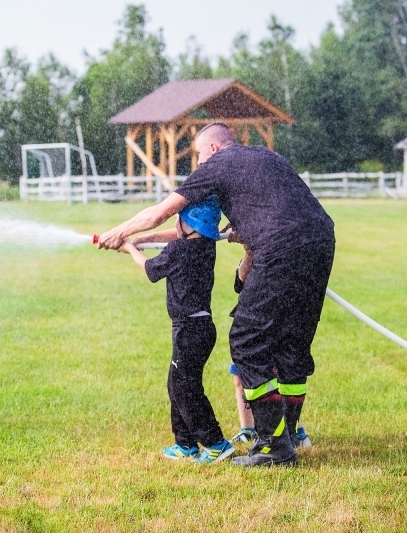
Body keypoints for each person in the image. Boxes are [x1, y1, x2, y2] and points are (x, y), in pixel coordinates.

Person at [97, 122, 336, 467]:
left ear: (211, 149)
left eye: (196, 154)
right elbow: (276, 203)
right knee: (291, 342)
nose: (197, 163)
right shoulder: (264, 156)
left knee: (248, 340)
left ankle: (273, 448)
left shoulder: (217, 164)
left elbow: (158, 213)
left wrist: (117, 232)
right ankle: (288, 433)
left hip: (281, 244)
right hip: (321, 238)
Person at [113, 194, 234, 464]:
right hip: (200, 327)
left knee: (185, 388)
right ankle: (185, 444)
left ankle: (216, 443)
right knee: (177, 384)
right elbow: (177, 236)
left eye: (180, 218)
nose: (176, 221)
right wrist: (142, 239)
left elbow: (150, 270)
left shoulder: (179, 251)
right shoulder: (205, 245)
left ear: (189, 224)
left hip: (189, 329)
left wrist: (130, 249)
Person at [228, 244, 311, 449]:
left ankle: (293, 431)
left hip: (279, 321)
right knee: (240, 376)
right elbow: (239, 283)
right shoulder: (259, 248)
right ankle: (248, 429)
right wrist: (249, 252)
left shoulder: (288, 252)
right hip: (251, 319)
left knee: (281, 376)